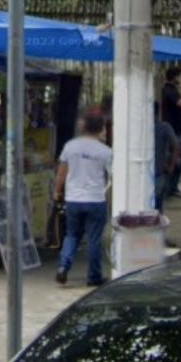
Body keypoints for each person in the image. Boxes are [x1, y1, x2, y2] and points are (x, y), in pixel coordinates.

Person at [55, 113, 113, 287]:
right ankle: (94, 277)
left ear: (84, 127)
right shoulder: (106, 151)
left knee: (71, 235)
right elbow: (113, 176)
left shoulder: (70, 146)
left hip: (73, 199)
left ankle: (63, 267)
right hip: (96, 199)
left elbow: (61, 172)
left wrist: (57, 191)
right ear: (101, 129)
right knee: (94, 239)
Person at [160, 66, 181, 197]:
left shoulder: (173, 89)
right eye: (180, 76)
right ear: (175, 77)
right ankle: (170, 185)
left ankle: (172, 186)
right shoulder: (168, 90)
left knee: (179, 158)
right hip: (175, 131)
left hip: (178, 129)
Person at [154, 102, 180, 212]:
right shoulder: (164, 127)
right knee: (157, 205)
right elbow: (176, 146)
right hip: (159, 171)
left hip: (146, 173)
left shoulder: (136, 129)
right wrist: (171, 166)